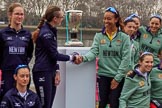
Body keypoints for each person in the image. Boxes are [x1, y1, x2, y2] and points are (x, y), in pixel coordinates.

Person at [77, 6, 131, 108]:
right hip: (103, 76)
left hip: (117, 76)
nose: (106, 21)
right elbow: (93, 52)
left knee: (114, 103)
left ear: (116, 20)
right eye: (105, 18)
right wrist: (83, 58)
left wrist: (117, 78)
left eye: (109, 19)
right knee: (102, 103)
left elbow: (126, 59)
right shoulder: (99, 36)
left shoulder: (124, 37)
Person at [32, 5, 79, 108]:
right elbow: (54, 55)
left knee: (49, 105)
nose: (62, 19)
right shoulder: (46, 34)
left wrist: (56, 71)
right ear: (55, 19)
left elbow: (52, 54)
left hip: (50, 71)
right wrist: (72, 57)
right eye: (61, 17)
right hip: (42, 72)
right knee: (44, 105)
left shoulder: (51, 31)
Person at [0, 3, 33, 101]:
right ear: (10, 15)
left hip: (22, 75)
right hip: (6, 75)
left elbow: (29, 54)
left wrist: (23, 68)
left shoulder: (27, 34)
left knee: (21, 101)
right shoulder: (2, 34)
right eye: (17, 14)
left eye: (22, 14)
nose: (19, 16)